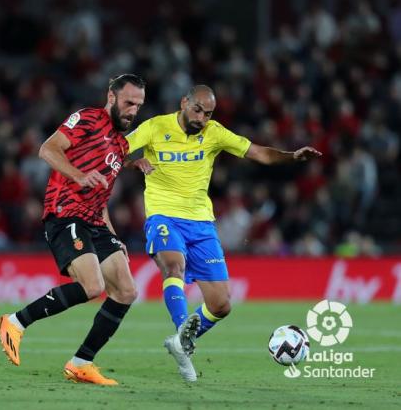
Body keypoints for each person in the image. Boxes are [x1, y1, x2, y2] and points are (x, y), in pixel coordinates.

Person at [127, 85, 321, 382]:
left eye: (208, 113)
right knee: (173, 265)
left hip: (202, 223)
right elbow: (113, 151)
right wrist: (133, 161)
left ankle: (180, 343)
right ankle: (182, 331)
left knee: (221, 304)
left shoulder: (214, 132)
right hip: (163, 215)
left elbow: (259, 153)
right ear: (184, 103)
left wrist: (291, 156)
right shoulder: (155, 127)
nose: (202, 118)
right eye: (197, 110)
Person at [0, 74, 145, 385]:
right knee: (92, 287)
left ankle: (81, 363)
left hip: (94, 221)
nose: (133, 110)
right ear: (112, 97)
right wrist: (78, 175)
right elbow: (47, 150)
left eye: (139, 105)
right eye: (129, 102)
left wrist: (114, 236)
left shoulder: (121, 144)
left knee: (127, 291)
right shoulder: (88, 118)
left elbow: (101, 198)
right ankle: (14, 322)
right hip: (66, 214)